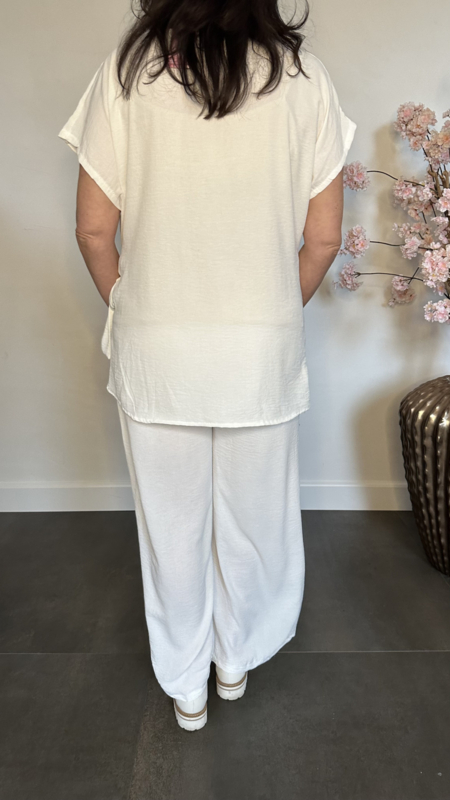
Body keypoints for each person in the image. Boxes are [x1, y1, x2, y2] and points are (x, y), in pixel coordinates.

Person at [58, 0, 356, 731]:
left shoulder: (128, 74)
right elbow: (322, 240)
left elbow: (93, 230)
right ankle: (235, 659)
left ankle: (186, 682)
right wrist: (272, 314)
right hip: (260, 350)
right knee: (256, 520)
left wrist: (127, 306)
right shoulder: (304, 78)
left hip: (157, 348)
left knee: (171, 526)